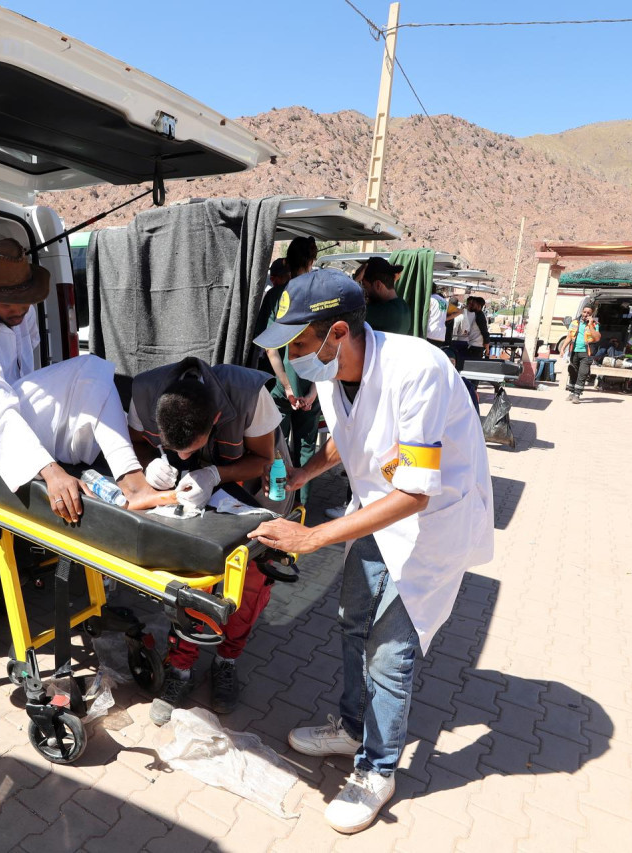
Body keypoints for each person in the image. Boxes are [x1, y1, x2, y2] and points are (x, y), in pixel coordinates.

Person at [249, 268, 494, 834]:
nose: (294, 356)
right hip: (377, 513)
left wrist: (310, 538)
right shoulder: (337, 373)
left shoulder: (419, 370)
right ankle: (353, 726)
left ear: (337, 332)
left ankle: (378, 769)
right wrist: (303, 474)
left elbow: (415, 490)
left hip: (431, 522)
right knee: (353, 619)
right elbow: (350, 435)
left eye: (300, 344)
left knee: (390, 654)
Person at [0, 238, 167, 522]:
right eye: (7, 303)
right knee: (89, 368)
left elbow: (28, 380)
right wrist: (50, 470)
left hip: (9, 416)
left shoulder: (22, 312)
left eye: (24, 300)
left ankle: (133, 468)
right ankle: (134, 486)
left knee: (92, 379)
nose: (19, 310)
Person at [126, 356, 282, 723]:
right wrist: (151, 462)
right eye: (174, 447)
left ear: (215, 421)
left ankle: (227, 661)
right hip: (185, 500)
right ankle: (179, 669)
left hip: (247, 495)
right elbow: (136, 442)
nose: (183, 456)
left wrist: (214, 473)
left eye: (190, 448)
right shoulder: (144, 391)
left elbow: (264, 458)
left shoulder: (249, 395)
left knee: (248, 586)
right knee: (189, 587)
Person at [259, 237, 321, 506]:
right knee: (307, 449)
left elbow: (270, 350)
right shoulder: (321, 297)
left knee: (278, 447)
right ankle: (302, 506)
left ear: (288, 261)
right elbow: (328, 350)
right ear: (311, 262)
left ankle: (278, 503)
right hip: (312, 388)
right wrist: (314, 392)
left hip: (281, 390)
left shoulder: (276, 296)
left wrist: (286, 387)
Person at [359, 257, 410, 335]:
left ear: (378, 285)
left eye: (365, 286)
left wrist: (354, 282)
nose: (365, 291)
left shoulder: (382, 311)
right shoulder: (402, 306)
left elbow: (345, 314)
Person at [563, 306, 600, 403]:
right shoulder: (574, 322)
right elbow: (569, 336)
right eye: (584, 312)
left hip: (586, 353)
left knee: (582, 373)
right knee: (572, 371)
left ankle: (577, 394)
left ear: (592, 314)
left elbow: (597, 338)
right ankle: (571, 392)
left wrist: (591, 324)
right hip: (574, 351)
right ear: (581, 312)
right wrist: (563, 348)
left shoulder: (595, 324)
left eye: (588, 313)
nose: (586, 314)